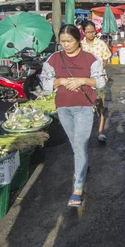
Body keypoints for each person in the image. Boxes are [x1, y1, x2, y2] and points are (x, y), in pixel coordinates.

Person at [40, 25, 106, 207]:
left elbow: (100, 81)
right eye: (62, 42)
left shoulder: (90, 59)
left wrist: (82, 80)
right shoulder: (54, 59)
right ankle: (83, 164)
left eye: (69, 41)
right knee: (76, 144)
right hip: (63, 107)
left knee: (79, 144)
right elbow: (44, 82)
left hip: (84, 106)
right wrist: (59, 81)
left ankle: (78, 189)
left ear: (78, 39)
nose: (66, 45)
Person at [80, 21, 111, 143]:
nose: (91, 34)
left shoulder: (101, 43)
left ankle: (100, 132)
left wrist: (99, 70)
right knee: (85, 105)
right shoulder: (80, 45)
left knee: (100, 104)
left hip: (99, 79)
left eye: (93, 31)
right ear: (83, 32)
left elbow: (105, 59)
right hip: (84, 80)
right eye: (88, 32)